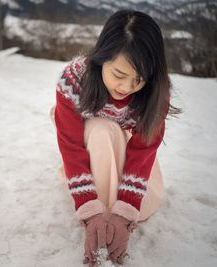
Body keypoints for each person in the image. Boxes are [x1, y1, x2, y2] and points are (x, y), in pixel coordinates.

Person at [52, 9, 180, 266]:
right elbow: (70, 143)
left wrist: (124, 212)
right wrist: (89, 210)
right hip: (93, 150)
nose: (126, 87)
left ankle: (113, 206)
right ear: (101, 58)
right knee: (99, 127)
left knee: (108, 131)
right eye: (119, 75)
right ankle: (95, 195)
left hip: (134, 164)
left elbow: (144, 150)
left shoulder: (156, 94)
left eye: (139, 80)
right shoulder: (74, 80)